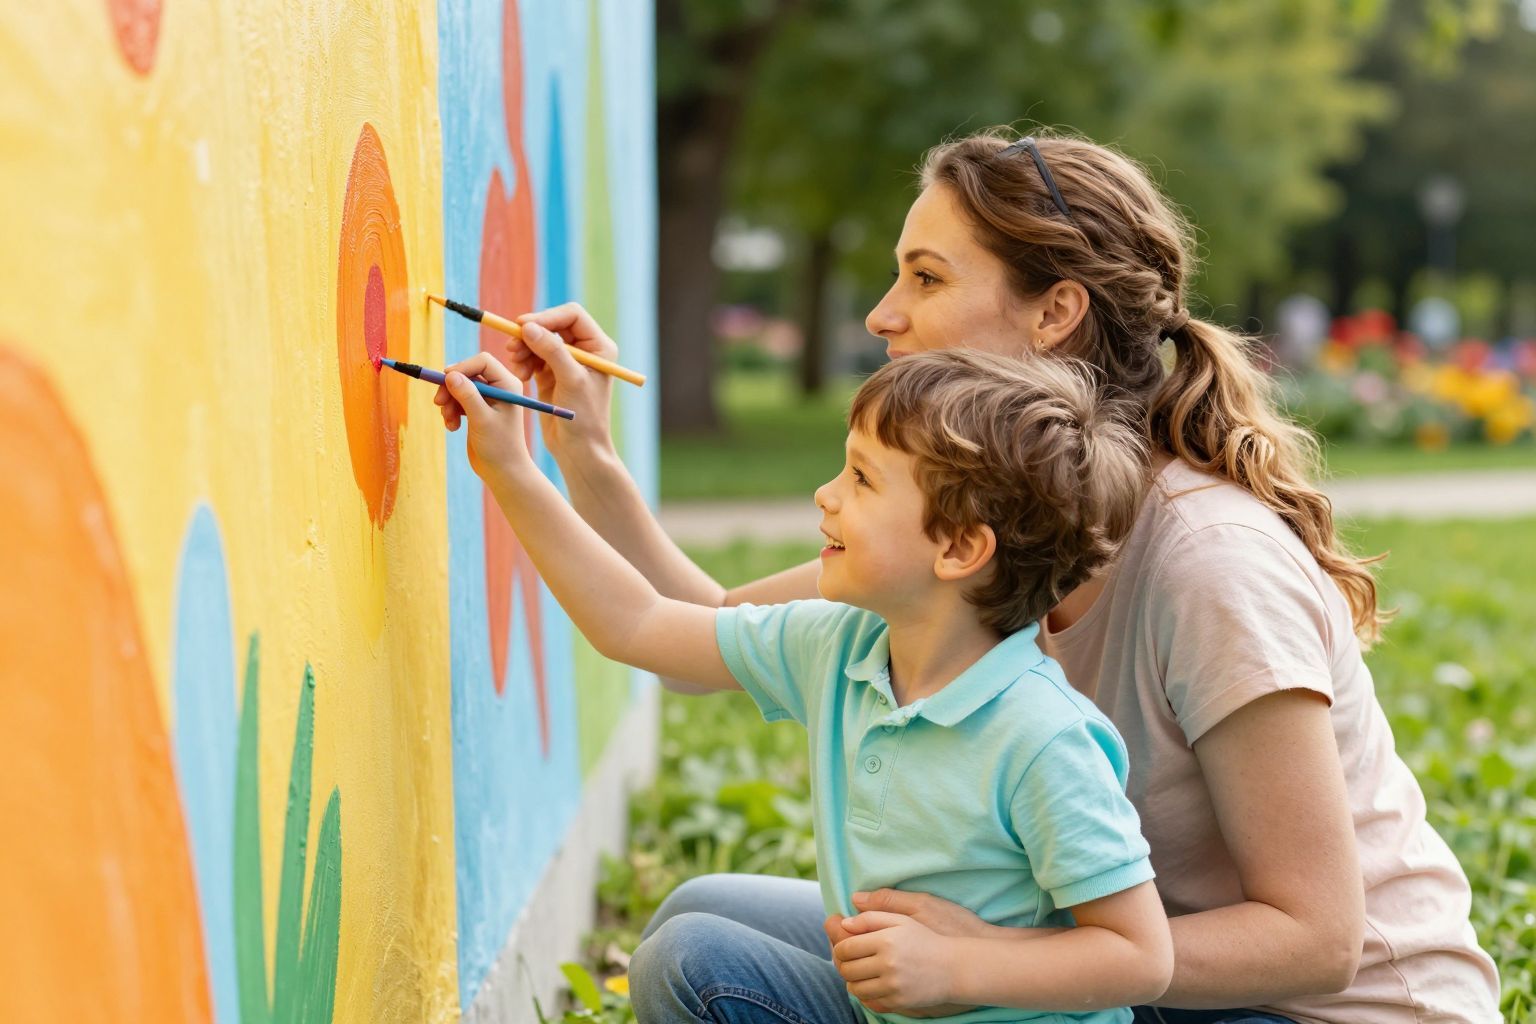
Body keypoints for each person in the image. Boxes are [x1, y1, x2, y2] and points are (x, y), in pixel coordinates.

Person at [476, 130, 1502, 1023]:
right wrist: (582, 455)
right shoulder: (993, 522)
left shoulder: (1207, 563)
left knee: (700, 968)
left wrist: (985, 962)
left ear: (1054, 311)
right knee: (703, 909)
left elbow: (1316, 939)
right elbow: (696, 635)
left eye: (925, 277)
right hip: (1135, 965)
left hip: (1303, 1012)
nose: (883, 314)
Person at [438, 346, 1175, 1022]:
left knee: (685, 961)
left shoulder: (1044, 739)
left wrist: (958, 966)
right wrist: (513, 470)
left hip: (961, 999)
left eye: (860, 478)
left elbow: (1141, 958)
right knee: (695, 903)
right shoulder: (843, 641)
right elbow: (636, 624)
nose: (825, 496)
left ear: (957, 546)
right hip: (892, 1001)